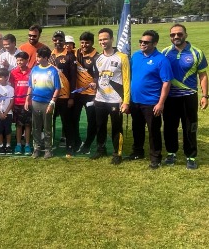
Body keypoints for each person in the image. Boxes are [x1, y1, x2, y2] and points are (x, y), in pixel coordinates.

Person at [162, 23, 208, 169]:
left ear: (185, 35)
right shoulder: (165, 53)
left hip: (189, 96)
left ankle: (191, 156)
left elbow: (203, 75)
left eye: (179, 34)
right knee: (169, 126)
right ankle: (171, 153)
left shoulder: (197, 52)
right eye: (173, 35)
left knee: (190, 127)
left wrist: (205, 96)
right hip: (170, 97)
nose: (176, 37)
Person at [129, 30, 173, 169]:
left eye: (146, 42)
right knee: (137, 128)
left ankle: (155, 157)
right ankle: (138, 152)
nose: (142, 44)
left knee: (153, 131)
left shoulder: (161, 60)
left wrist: (160, 103)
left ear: (155, 43)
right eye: (141, 41)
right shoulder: (135, 56)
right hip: (135, 101)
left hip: (152, 103)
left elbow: (166, 82)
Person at [91, 28, 130, 164]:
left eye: (105, 39)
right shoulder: (97, 58)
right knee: (100, 125)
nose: (103, 42)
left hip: (116, 100)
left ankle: (117, 153)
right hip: (100, 99)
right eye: (100, 39)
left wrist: (126, 101)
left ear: (112, 39)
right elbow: (97, 77)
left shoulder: (122, 57)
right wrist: (94, 84)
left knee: (116, 127)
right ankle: (101, 149)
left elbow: (126, 80)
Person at [24, 46, 60, 159]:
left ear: (45, 58)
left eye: (39, 56)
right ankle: (37, 149)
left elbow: (57, 88)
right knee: (36, 126)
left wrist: (52, 103)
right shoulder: (34, 69)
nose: (36, 58)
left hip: (47, 103)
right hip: (35, 102)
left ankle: (48, 149)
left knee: (47, 127)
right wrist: (27, 99)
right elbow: (30, 85)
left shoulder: (53, 70)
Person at [49, 30, 77, 156]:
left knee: (67, 123)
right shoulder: (50, 56)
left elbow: (73, 78)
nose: (58, 42)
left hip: (65, 96)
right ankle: (51, 145)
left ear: (64, 41)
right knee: (51, 122)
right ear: (53, 40)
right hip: (52, 97)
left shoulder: (70, 56)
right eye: (56, 39)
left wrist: (72, 97)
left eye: (60, 40)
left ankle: (69, 146)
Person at [73, 32, 99, 155]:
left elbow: (100, 75)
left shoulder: (97, 57)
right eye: (82, 42)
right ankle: (77, 141)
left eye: (87, 42)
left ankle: (88, 144)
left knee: (91, 120)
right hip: (77, 93)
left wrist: (95, 82)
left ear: (92, 43)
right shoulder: (76, 52)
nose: (84, 45)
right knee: (74, 118)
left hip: (91, 94)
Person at [9, 51, 32, 155]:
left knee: (28, 125)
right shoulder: (13, 73)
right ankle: (18, 144)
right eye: (17, 60)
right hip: (17, 103)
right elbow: (11, 88)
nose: (19, 62)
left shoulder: (32, 72)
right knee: (18, 125)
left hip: (28, 103)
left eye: (21, 60)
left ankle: (27, 145)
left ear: (27, 61)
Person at [0, 68, 14, 155]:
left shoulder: (10, 88)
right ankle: (1, 146)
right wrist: (0, 113)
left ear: (6, 77)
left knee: (8, 130)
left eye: (0, 77)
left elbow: (11, 102)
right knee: (0, 130)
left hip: (8, 114)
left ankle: (8, 145)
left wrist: (5, 113)